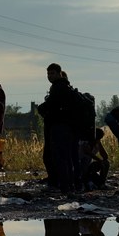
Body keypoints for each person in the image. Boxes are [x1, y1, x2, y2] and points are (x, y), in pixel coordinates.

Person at [37, 63, 75, 194]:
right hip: (64, 127)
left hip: (59, 126)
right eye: (48, 74)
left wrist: (42, 109)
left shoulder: (59, 87)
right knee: (65, 157)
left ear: (59, 73)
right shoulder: (64, 87)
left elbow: (51, 105)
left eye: (52, 73)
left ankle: (65, 186)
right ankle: (69, 185)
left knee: (60, 157)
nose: (49, 76)